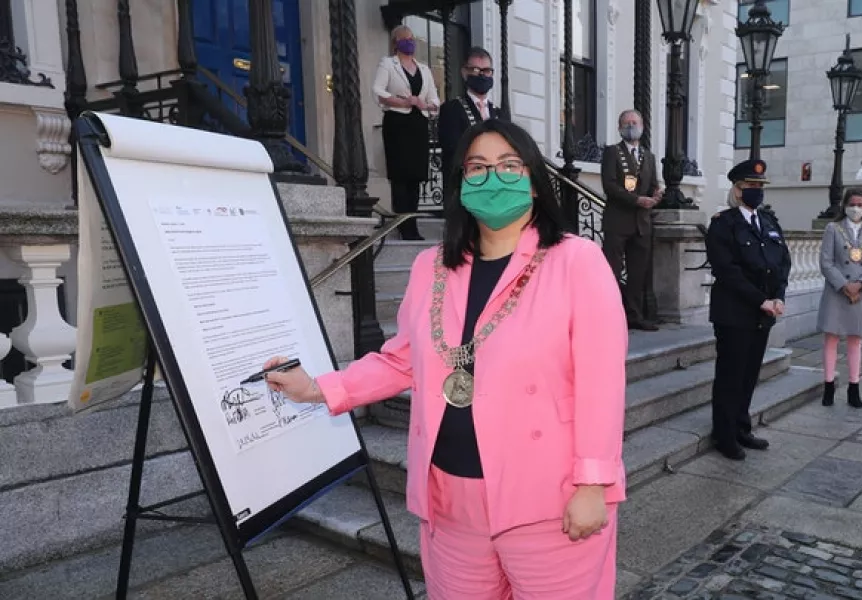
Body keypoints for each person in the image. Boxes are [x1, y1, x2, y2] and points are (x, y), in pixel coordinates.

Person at [262, 119, 628, 598]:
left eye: (508, 166)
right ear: (460, 184)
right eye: (477, 168)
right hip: (451, 497)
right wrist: (319, 388)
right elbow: (401, 360)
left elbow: (602, 381)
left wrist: (593, 485)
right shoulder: (431, 266)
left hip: (548, 498)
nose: (492, 179)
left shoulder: (576, 261)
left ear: (535, 182)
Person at [705, 159, 791, 461]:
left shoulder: (768, 222)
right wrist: (760, 300)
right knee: (731, 375)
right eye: (751, 186)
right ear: (738, 190)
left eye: (760, 186)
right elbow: (727, 271)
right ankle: (724, 434)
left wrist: (778, 295)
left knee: (750, 373)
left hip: (762, 313)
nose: (757, 191)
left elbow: (783, 262)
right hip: (734, 312)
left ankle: (742, 427)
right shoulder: (723, 224)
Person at [372, 24, 440, 241]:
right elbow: (378, 91)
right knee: (400, 176)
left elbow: (435, 101)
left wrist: (421, 103)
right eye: (404, 38)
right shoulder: (388, 64)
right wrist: (402, 101)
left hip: (417, 125)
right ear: (396, 43)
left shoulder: (425, 70)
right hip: (397, 123)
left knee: (415, 176)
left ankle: (413, 223)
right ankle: (403, 224)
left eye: (411, 38)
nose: (409, 41)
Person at [817, 187, 862, 409]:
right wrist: (844, 285)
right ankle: (828, 386)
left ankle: (854, 387)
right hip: (837, 290)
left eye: (860, 204)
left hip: (861, 292)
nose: (856, 208)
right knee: (831, 338)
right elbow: (826, 262)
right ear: (845, 205)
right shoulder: (833, 229)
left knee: (856, 341)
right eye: (852, 204)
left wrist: (861, 284)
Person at [600, 109, 662, 331]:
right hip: (618, 222)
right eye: (626, 123)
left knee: (638, 274)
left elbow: (653, 183)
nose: (630, 126)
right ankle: (609, 316)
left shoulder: (649, 156)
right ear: (619, 128)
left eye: (634, 122)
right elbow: (610, 186)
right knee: (612, 272)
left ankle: (634, 316)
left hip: (642, 224)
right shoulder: (612, 153)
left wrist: (656, 195)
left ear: (642, 126)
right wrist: (636, 200)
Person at [437, 46, 501, 179]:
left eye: (487, 70)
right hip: (464, 184)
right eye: (476, 70)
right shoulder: (451, 109)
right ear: (465, 73)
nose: (482, 75)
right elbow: (452, 149)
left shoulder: (499, 113)